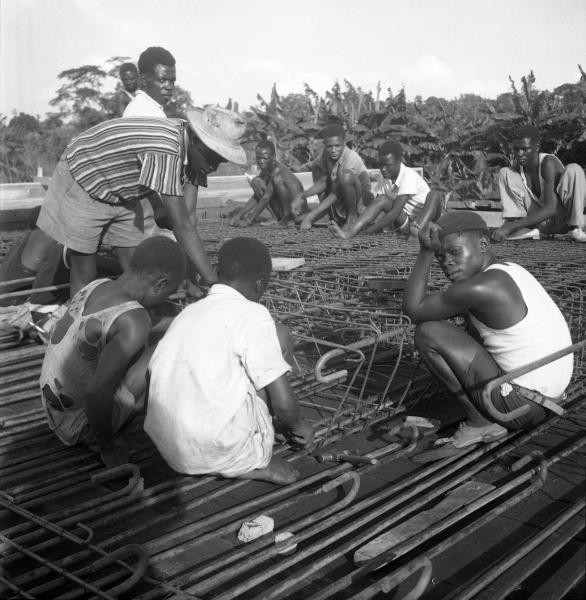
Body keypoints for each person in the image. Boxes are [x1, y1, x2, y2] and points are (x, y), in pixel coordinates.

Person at [146, 237, 314, 485]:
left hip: (169, 447)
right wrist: (298, 426)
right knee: (280, 336)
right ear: (259, 285)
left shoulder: (190, 311)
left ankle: (237, 446)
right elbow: (285, 407)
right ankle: (250, 462)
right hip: (215, 449)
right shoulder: (254, 314)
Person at [403, 212, 573, 454]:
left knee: (429, 332)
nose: (446, 262)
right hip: (551, 400)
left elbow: (413, 310)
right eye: (440, 256)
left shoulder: (479, 286)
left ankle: (479, 421)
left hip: (518, 409)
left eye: (454, 252)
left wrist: (426, 253)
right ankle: (487, 410)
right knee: (465, 327)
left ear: (483, 245)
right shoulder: (510, 269)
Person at [35, 106, 247, 297]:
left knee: (134, 269)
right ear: (198, 140)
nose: (213, 168)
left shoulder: (195, 155)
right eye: (213, 158)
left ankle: (128, 314)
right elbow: (181, 225)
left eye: (220, 162)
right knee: (84, 268)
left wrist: (192, 280)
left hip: (123, 190)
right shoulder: (165, 147)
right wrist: (214, 283)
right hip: (85, 175)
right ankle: (78, 328)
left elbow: (188, 220)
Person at [40, 236, 186, 468]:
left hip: (55, 413)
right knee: (169, 346)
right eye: (167, 292)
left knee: (153, 337)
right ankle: (109, 433)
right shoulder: (134, 320)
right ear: (160, 284)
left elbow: (124, 323)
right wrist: (108, 448)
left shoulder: (98, 286)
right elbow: (95, 392)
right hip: (81, 427)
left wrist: (183, 318)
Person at [329, 140, 443, 239]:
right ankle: (347, 234)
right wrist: (362, 225)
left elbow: (394, 213)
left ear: (400, 161)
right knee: (383, 199)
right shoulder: (385, 177)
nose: (383, 169)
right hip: (407, 222)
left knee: (434, 194)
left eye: (388, 165)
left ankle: (415, 235)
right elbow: (378, 203)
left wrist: (369, 231)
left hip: (423, 221)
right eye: (381, 165)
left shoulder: (408, 176)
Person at [493, 125, 586, 242]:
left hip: (563, 223)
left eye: (525, 149)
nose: (520, 153)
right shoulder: (515, 171)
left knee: (574, 169)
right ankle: (525, 229)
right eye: (516, 149)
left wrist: (510, 227)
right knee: (505, 172)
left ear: (537, 147)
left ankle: (575, 229)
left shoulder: (548, 163)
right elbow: (513, 214)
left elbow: (552, 208)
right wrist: (506, 227)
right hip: (538, 225)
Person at [291, 124, 373, 230]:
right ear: (325, 144)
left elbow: (336, 192)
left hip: (361, 201)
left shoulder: (350, 158)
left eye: (337, 146)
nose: (333, 150)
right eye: (329, 146)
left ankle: (352, 217)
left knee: (346, 176)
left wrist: (311, 216)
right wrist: (301, 196)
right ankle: (332, 215)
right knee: (316, 167)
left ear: (344, 143)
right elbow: (322, 182)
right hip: (341, 196)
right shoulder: (326, 154)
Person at [230, 140, 307, 227]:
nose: (261, 161)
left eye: (264, 158)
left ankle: (287, 219)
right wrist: (239, 215)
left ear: (273, 156)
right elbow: (258, 195)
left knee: (278, 181)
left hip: (297, 213)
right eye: (258, 158)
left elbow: (265, 198)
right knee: (257, 182)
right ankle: (276, 217)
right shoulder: (266, 169)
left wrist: (248, 220)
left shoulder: (277, 172)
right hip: (288, 209)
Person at [123, 47, 175, 118]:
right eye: (162, 80)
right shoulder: (150, 113)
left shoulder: (140, 106)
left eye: (172, 81)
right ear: (144, 80)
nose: (169, 87)